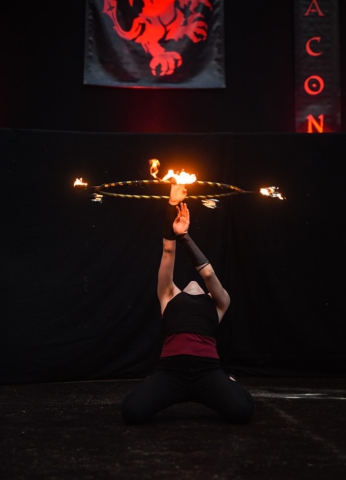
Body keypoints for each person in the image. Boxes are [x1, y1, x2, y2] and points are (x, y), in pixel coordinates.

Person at [121, 183, 254, 424]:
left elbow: (209, 275)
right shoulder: (168, 295)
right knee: (131, 412)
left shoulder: (220, 302)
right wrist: (171, 207)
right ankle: (161, 389)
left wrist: (185, 237)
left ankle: (229, 381)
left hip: (208, 372)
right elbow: (167, 253)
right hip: (171, 373)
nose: (194, 282)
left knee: (242, 412)